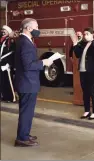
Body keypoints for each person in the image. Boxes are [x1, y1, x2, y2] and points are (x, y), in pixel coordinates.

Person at [14, 18, 54, 147]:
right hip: (27, 83)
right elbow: (28, 65)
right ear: (28, 28)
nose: (38, 30)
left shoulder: (23, 40)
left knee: (26, 111)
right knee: (26, 112)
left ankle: (24, 134)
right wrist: (44, 62)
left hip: (26, 82)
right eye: (36, 27)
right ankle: (22, 138)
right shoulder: (25, 43)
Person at [72, 27, 94, 120]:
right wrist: (75, 43)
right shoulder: (83, 44)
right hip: (82, 71)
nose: (85, 36)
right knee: (85, 91)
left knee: (92, 91)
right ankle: (87, 110)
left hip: (91, 71)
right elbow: (77, 54)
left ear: (92, 34)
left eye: (87, 34)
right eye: (84, 34)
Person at [0, 25, 16, 103]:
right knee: (2, 81)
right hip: (1, 64)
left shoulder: (10, 40)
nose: (3, 31)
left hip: (7, 65)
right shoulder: (2, 40)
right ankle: (4, 96)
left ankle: (11, 97)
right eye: (2, 30)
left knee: (8, 82)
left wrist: (9, 64)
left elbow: (12, 52)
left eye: (4, 30)